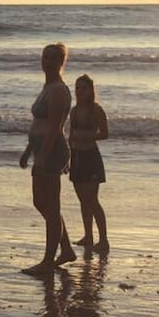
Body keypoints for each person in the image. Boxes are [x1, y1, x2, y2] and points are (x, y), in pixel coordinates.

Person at [20, 43, 77, 276]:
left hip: (52, 152)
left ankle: (47, 261)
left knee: (51, 207)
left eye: (53, 58)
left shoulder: (59, 91)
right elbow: (39, 125)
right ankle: (66, 249)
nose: (47, 62)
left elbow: (54, 128)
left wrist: (42, 158)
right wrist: (28, 150)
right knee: (40, 202)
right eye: (45, 57)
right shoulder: (47, 87)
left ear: (62, 62)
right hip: (41, 149)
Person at [68, 73, 110, 252]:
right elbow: (70, 135)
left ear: (90, 90)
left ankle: (104, 240)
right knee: (82, 200)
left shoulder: (96, 110)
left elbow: (105, 134)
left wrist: (88, 135)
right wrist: (68, 157)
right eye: (77, 88)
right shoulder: (74, 111)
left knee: (92, 200)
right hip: (77, 156)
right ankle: (88, 235)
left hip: (91, 156)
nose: (79, 91)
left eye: (83, 88)